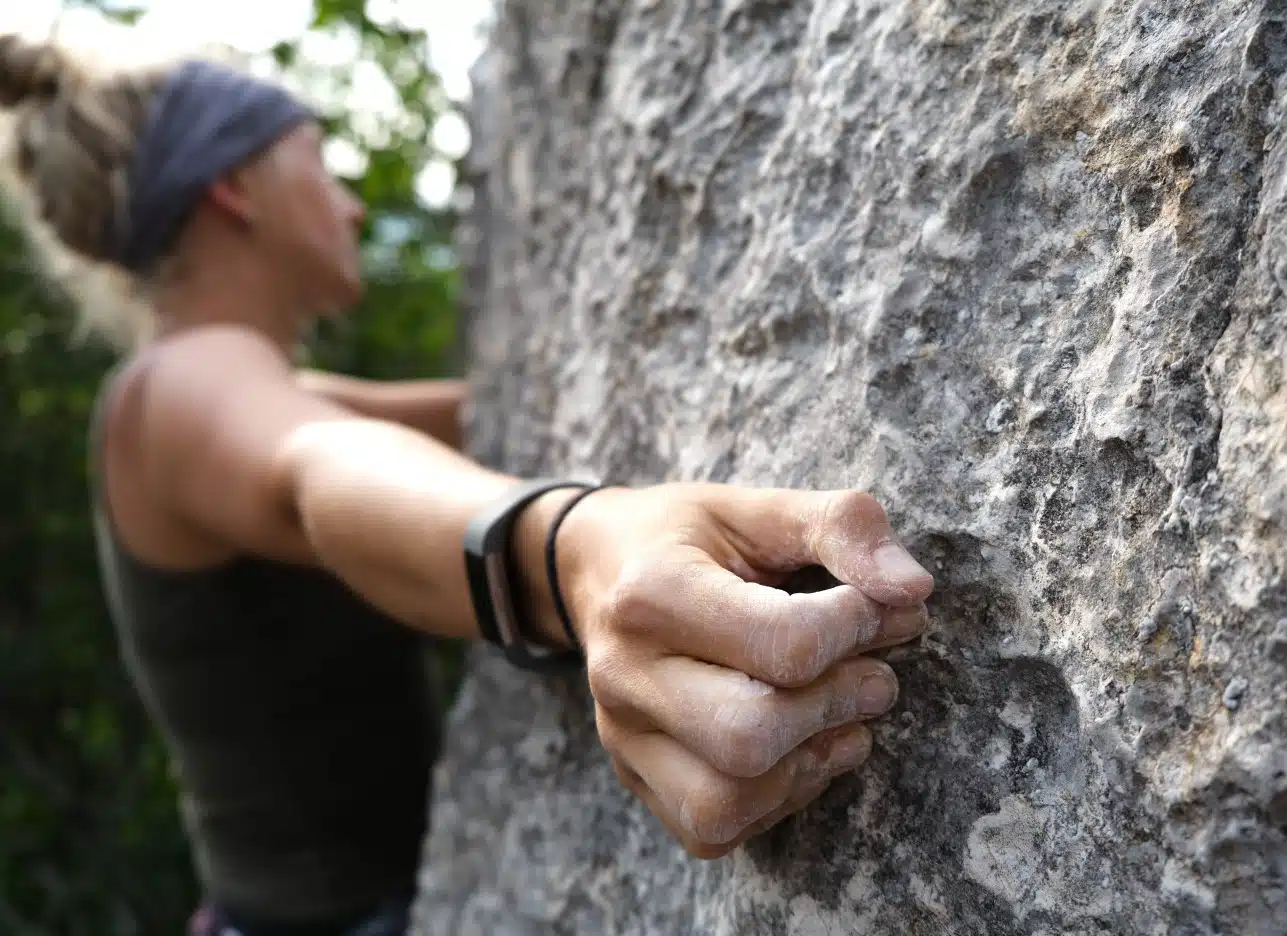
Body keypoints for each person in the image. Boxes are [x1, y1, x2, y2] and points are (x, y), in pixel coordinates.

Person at [0, 32, 935, 936]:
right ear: (235, 190)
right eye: (319, 163)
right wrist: (578, 547)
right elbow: (326, 474)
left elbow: (429, 426)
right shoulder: (180, 387)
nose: (352, 205)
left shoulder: (233, 395)